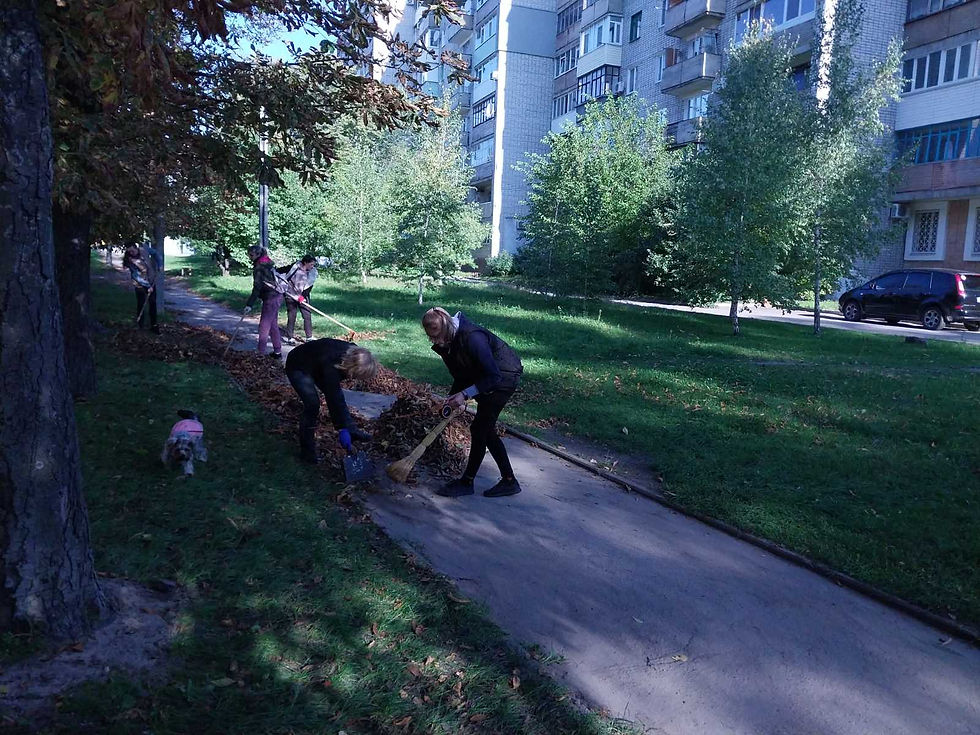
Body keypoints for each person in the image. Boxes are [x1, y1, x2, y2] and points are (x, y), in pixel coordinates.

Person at [422, 307, 523, 498]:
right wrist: (453, 399)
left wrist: (465, 394)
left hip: (503, 378)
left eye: (437, 336)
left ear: (446, 326)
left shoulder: (473, 337)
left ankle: (467, 482)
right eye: (431, 338)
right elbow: (461, 373)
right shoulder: (449, 341)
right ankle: (509, 480)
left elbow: (493, 376)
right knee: (485, 430)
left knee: (480, 429)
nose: (436, 341)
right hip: (484, 377)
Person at [284, 338, 377, 464]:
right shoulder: (331, 365)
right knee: (312, 405)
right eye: (356, 376)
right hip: (298, 365)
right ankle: (307, 452)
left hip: (316, 364)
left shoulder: (354, 354)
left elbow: (336, 396)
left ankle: (352, 429)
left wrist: (345, 427)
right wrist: (343, 428)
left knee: (335, 396)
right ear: (351, 369)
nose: (354, 379)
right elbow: (334, 396)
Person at [243, 245, 283, 359]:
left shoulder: (259, 267)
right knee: (273, 325)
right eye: (249, 255)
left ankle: (260, 353)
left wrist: (249, 304)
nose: (250, 257)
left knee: (264, 326)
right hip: (277, 296)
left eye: (251, 255)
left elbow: (257, 287)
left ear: (257, 254)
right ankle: (277, 352)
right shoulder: (267, 263)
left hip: (271, 297)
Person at [123, 241, 162, 333]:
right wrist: (147, 286)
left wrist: (160, 264)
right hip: (140, 284)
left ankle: (154, 326)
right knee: (141, 304)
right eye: (129, 252)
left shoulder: (144, 249)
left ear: (136, 248)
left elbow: (155, 254)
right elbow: (136, 276)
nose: (131, 253)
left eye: (132, 251)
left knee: (152, 303)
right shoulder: (130, 260)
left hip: (151, 280)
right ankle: (140, 325)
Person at [281, 254, 318, 345]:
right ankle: (290, 337)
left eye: (313, 265)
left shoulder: (312, 272)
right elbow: (283, 273)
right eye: (311, 264)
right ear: (305, 262)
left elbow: (309, 286)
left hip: (303, 296)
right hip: (290, 295)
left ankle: (309, 337)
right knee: (292, 316)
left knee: (307, 315)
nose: (312, 266)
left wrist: (302, 296)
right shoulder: (295, 267)